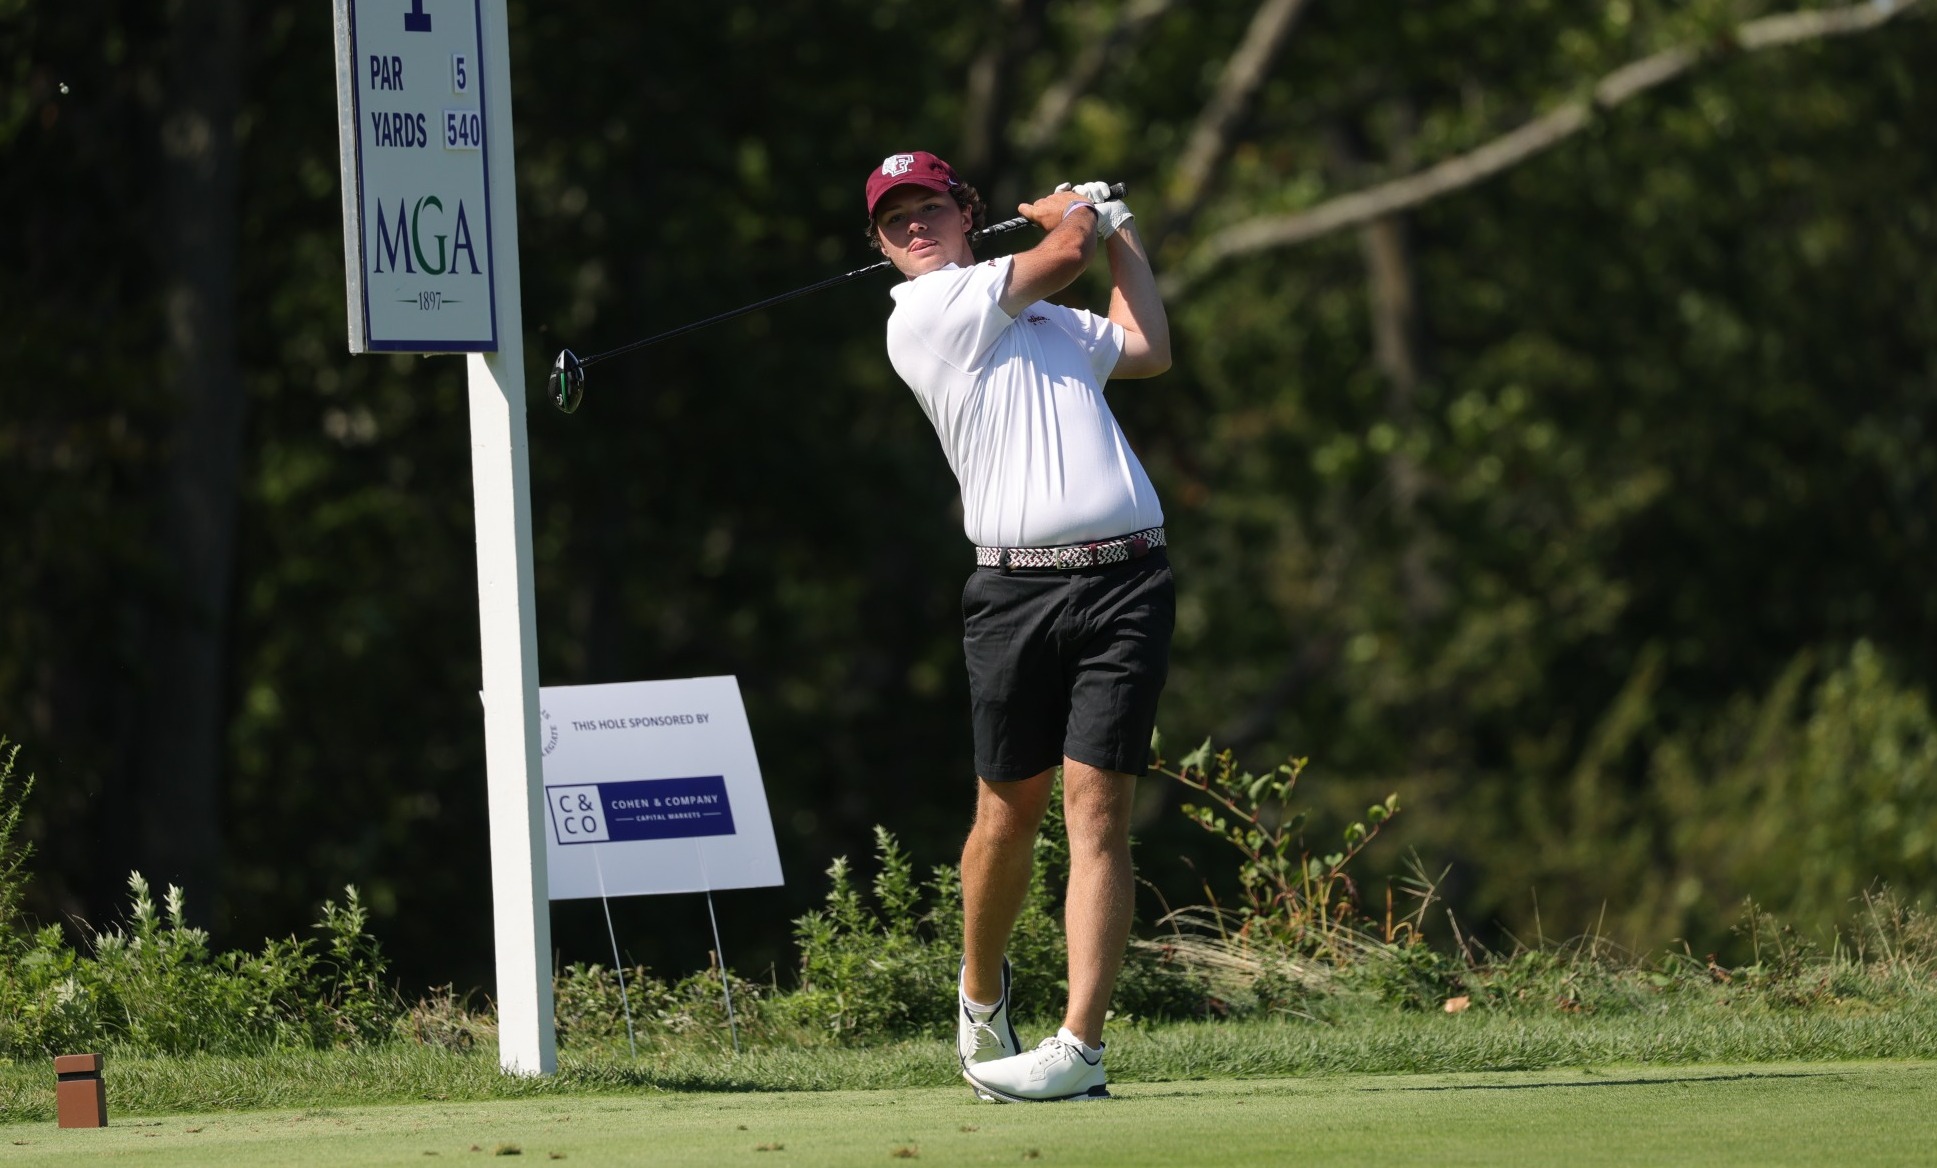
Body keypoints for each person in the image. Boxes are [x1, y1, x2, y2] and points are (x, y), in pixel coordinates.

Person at [864, 151, 1174, 1103]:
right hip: (1015, 593)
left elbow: (1146, 345)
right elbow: (1063, 254)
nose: (915, 227)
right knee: (1007, 813)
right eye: (895, 220)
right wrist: (1077, 211)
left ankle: (1079, 1047)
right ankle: (980, 990)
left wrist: (1118, 228)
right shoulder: (927, 311)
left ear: (966, 213)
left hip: (1127, 580)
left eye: (929, 208)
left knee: (1098, 810)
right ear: (881, 247)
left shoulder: (1044, 318)